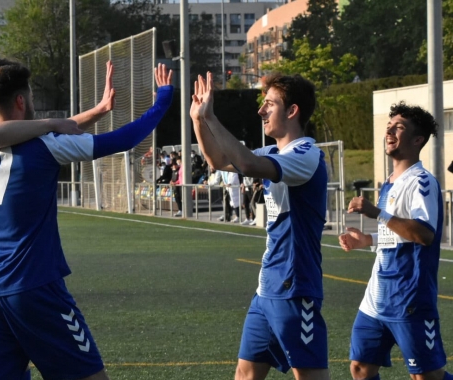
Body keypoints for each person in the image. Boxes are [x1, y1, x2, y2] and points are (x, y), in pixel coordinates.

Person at [0, 62, 172, 380]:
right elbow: (125, 139)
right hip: (36, 291)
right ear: (21, 101)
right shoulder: (46, 147)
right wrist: (163, 99)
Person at [191, 71, 328, 380]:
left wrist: (211, 118)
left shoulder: (306, 154)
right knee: (245, 374)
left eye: (269, 104)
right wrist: (199, 120)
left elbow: (248, 165)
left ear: (292, 111)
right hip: (266, 288)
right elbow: (217, 161)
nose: (260, 111)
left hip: (295, 287)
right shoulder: (273, 152)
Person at [338, 102, 452, 380]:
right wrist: (369, 239)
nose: (389, 131)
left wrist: (375, 213)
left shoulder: (422, 182)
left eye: (398, 128)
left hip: (409, 297)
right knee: (360, 368)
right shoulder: (390, 181)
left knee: (426, 377)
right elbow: (400, 234)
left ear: (417, 140)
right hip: (376, 298)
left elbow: (424, 234)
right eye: (389, 126)